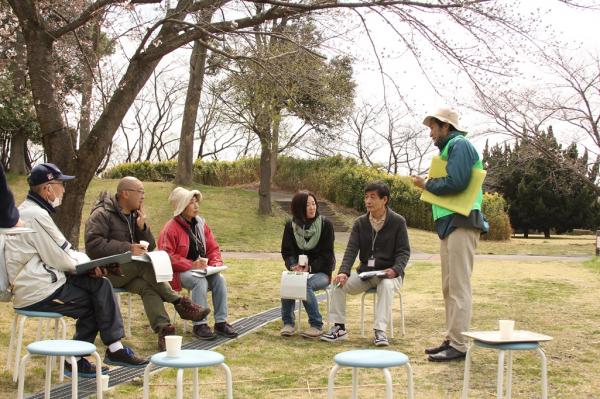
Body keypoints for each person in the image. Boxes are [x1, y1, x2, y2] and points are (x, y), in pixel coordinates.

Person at [4, 163, 148, 376]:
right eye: (61, 185)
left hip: (48, 279)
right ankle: (78, 359)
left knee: (100, 285)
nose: (63, 190)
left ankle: (112, 349)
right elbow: (62, 257)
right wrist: (89, 266)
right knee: (94, 302)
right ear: (47, 189)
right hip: (38, 289)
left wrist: (90, 267)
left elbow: (66, 251)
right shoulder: (36, 215)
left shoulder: (35, 212)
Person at [84, 177, 210, 351]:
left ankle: (165, 331)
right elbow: (92, 246)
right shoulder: (102, 214)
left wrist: (141, 227)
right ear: (125, 193)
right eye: (140, 192)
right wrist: (128, 248)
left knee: (148, 286)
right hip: (103, 272)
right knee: (144, 265)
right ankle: (180, 302)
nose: (143, 196)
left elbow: (149, 247)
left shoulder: (134, 215)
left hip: (127, 272)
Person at [412, 107, 488, 362]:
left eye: (433, 128)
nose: (431, 134)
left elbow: (457, 182)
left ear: (446, 127)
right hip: (450, 223)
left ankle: (459, 344)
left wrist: (427, 184)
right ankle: (452, 337)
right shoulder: (449, 149)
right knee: (449, 287)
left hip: (462, 221)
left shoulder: (460, 144)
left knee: (458, 286)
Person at [321, 181, 410, 347]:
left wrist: (395, 270)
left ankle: (380, 331)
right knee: (338, 284)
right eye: (366, 197)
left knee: (386, 285)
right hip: (366, 274)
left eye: (373, 197)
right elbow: (351, 250)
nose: (368, 201)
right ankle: (339, 328)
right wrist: (344, 272)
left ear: (384, 200)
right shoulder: (360, 223)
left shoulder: (398, 221)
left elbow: (404, 252)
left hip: (389, 275)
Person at [158, 187, 238, 340]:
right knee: (199, 281)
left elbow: (213, 247)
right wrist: (191, 264)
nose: (196, 206)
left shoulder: (201, 223)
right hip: (178, 273)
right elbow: (166, 256)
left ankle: (221, 322)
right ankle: (199, 325)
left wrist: (215, 263)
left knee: (220, 279)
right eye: (191, 203)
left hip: (201, 269)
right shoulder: (170, 228)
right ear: (181, 207)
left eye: (196, 202)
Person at [280, 191, 335, 338]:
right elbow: (287, 251)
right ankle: (288, 323)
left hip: (321, 271)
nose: (312, 208)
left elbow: (327, 255)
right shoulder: (290, 226)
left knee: (304, 284)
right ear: (298, 208)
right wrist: (293, 266)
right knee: (289, 280)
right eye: (307, 205)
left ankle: (316, 324)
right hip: (298, 270)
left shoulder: (325, 225)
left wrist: (310, 268)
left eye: (313, 204)